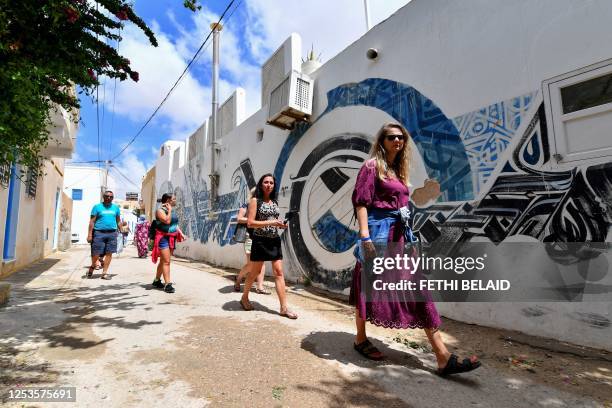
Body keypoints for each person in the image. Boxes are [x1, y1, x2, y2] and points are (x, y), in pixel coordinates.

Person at [350, 123, 481, 376]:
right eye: (392, 137)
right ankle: (360, 339)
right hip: (379, 234)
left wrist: (410, 244)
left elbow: (403, 209)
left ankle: (443, 356)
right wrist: (365, 238)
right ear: (382, 141)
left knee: (417, 289)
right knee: (368, 282)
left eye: (401, 138)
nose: (397, 141)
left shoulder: (398, 172)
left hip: (400, 238)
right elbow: (362, 203)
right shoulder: (371, 167)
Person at [240, 174, 297, 319]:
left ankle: (284, 308)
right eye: (266, 182)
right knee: (254, 272)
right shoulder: (255, 201)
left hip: (274, 240)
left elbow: (273, 221)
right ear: (261, 184)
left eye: (271, 183)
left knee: (279, 272)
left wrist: (281, 225)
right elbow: (250, 223)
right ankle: (244, 297)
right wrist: (271, 223)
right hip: (260, 241)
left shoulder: (274, 202)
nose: (269, 185)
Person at [234, 188, 269, 294]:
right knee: (251, 264)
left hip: (262, 236)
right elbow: (239, 219)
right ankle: (239, 280)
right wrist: (253, 220)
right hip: (249, 236)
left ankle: (260, 287)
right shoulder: (246, 205)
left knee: (262, 262)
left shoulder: (264, 206)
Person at [151, 193, 184, 293]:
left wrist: (180, 232)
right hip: (163, 238)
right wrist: (169, 210)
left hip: (171, 238)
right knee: (166, 261)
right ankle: (167, 285)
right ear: (168, 201)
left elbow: (174, 224)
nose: (175, 200)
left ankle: (156, 280)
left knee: (163, 261)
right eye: (174, 199)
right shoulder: (159, 211)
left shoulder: (172, 211)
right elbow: (167, 221)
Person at [87, 190, 121, 280]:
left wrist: (121, 229)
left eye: (111, 197)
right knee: (96, 253)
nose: (109, 198)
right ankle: (92, 266)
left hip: (112, 233)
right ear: (103, 196)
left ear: (112, 198)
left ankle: (104, 273)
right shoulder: (97, 207)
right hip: (98, 233)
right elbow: (92, 221)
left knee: (109, 253)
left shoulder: (116, 208)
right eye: (107, 196)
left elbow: (118, 220)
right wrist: (90, 234)